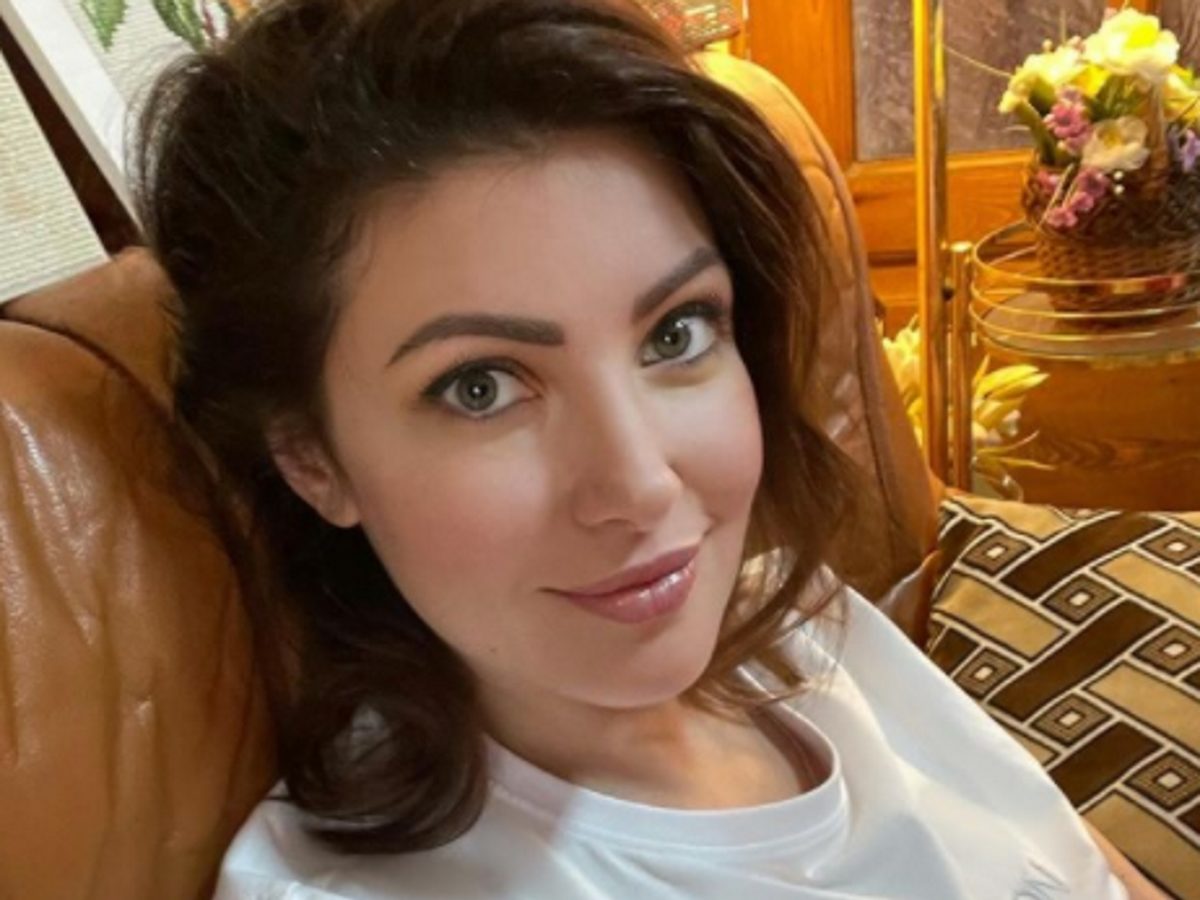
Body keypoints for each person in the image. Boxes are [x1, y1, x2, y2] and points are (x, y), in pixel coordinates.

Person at [134, 0, 1162, 896]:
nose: (639, 482)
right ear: (311, 458)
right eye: (480, 387)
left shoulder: (813, 629)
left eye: (675, 334)